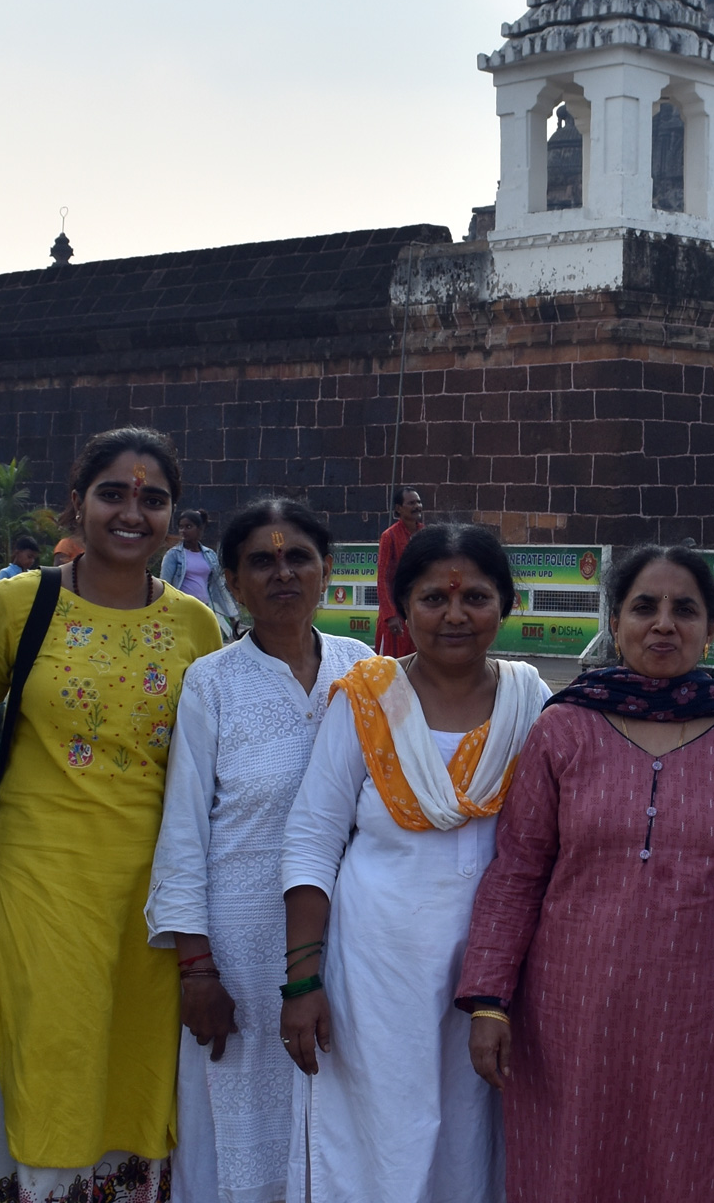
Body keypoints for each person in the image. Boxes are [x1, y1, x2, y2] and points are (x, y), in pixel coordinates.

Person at [456, 544, 714, 1201]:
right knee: (576, 1166)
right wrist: (489, 1002)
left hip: (711, 1019)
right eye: (644, 607)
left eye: (684, 610)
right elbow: (518, 872)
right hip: (571, 1015)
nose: (663, 624)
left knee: (696, 1168)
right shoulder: (564, 727)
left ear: (710, 628)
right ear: (615, 624)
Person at [0, 428, 222, 1203]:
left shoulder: (196, 626)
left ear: (174, 518)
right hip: (40, 881)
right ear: (77, 502)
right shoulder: (16, 606)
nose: (131, 512)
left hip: (152, 894)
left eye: (152, 499)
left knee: (137, 1068)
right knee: (50, 1054)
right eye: (113, 493)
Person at [278, 524, 548, 1203]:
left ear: (506, 605)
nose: (455, 616)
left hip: (495, 969)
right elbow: (311, 839)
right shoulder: (368, 699)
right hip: (375, 966)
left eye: (476, 598)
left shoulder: (531, 701)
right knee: (378, 1137)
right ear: (400, 608)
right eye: (433, 598)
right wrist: (301, 981)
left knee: (474, 1134)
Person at [147, 499, 372, 1203]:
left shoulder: (363, 669)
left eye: (298, 557)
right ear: (234, 583)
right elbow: (183, 830)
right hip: (236, 955)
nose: (283, 573)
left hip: (343, 943)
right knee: (234, 1130)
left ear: (327, 571)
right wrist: (196, 969)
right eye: (263, 562)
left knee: (337, 1118)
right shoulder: (212, 682)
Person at [161, 508, 241, 640]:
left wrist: (232, 617)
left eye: (188, 527)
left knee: (207, 645)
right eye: (181, 527)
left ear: (199, 529)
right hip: (183, 610)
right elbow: (165, 586)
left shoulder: (209, 555)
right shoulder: (173, 555)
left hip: (205, 609)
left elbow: (218, 588)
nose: (183, 531)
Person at [374, 487, 424, 657]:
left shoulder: (426, 535)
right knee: (393, 666)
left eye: (418, 502)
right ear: (398, 509)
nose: (417, 506)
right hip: (396, 614)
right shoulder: (390, 537)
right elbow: (383, 579)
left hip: (419, 610)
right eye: (411, 503)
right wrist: (390, 615)